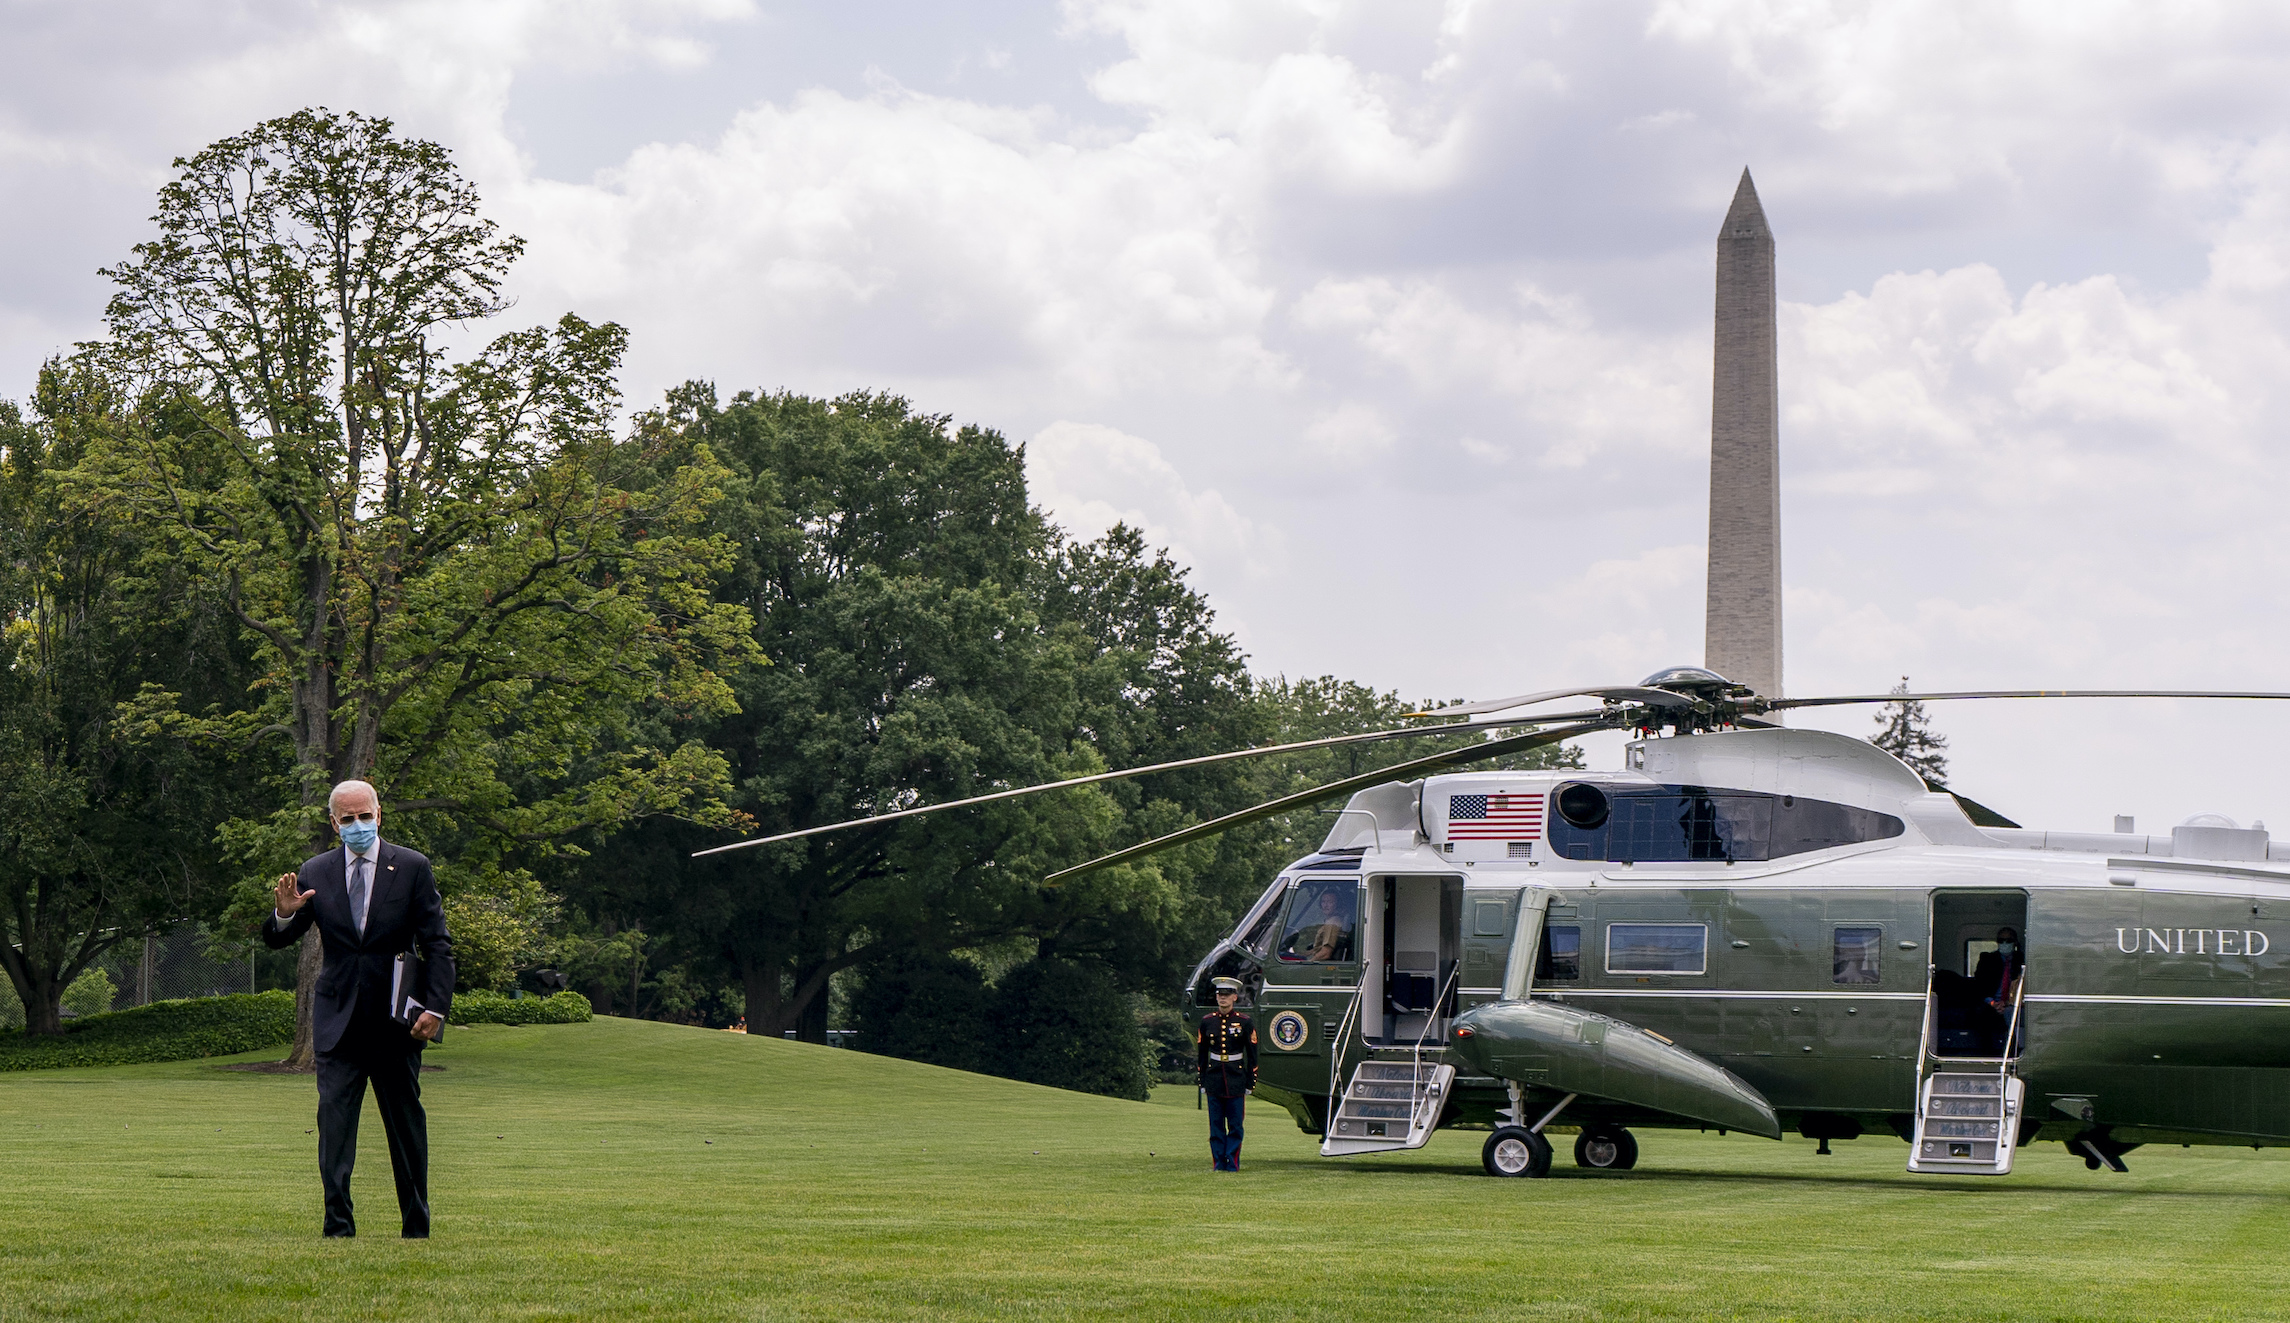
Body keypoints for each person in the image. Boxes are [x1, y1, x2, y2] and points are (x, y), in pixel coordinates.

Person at [263, 780, 455, 1238]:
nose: (357, 825)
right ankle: (338, 1227)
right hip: (338, 1022)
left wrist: (435, 1008)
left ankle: (416, 1226)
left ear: (379, 814)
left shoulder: (411, 867)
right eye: (347, 819)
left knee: (406, 1128)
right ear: (334, 824)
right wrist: (286, 913)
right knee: (334, 1127)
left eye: (364, 816)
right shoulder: (316, 870)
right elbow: (278, 939)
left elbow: (437, 945)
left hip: (396, 1024)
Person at [1197, 976, 1257, 1172]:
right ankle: (1218, 1163)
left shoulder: (1244, 1022)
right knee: (1215, 1126)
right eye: (1219, 995)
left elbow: (1252, 1054)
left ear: (1234, 997)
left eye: (1226, 995)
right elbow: (1202, 1054)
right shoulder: (1207, 1022)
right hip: (1214, 1077)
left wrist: (1250, 1082)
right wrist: (1202, 1079)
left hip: (1235, 1078)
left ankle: (1232, 1161)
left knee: (1235, 1125)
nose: (1222, 998)